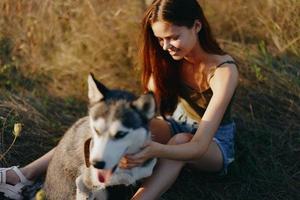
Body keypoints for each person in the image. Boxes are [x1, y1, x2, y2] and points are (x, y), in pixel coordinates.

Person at [0, 0, 238, 199]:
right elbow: (146, 109)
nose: (166, 46)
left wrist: (154, 149)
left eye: (173, 37)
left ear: (196, 26)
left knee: (179, 140)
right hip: (174, 123)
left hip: (213, 143)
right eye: (160, 39)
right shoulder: (172, 58)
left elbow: (197, 146)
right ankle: (25, 174)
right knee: (107, 123)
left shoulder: (223, 72)